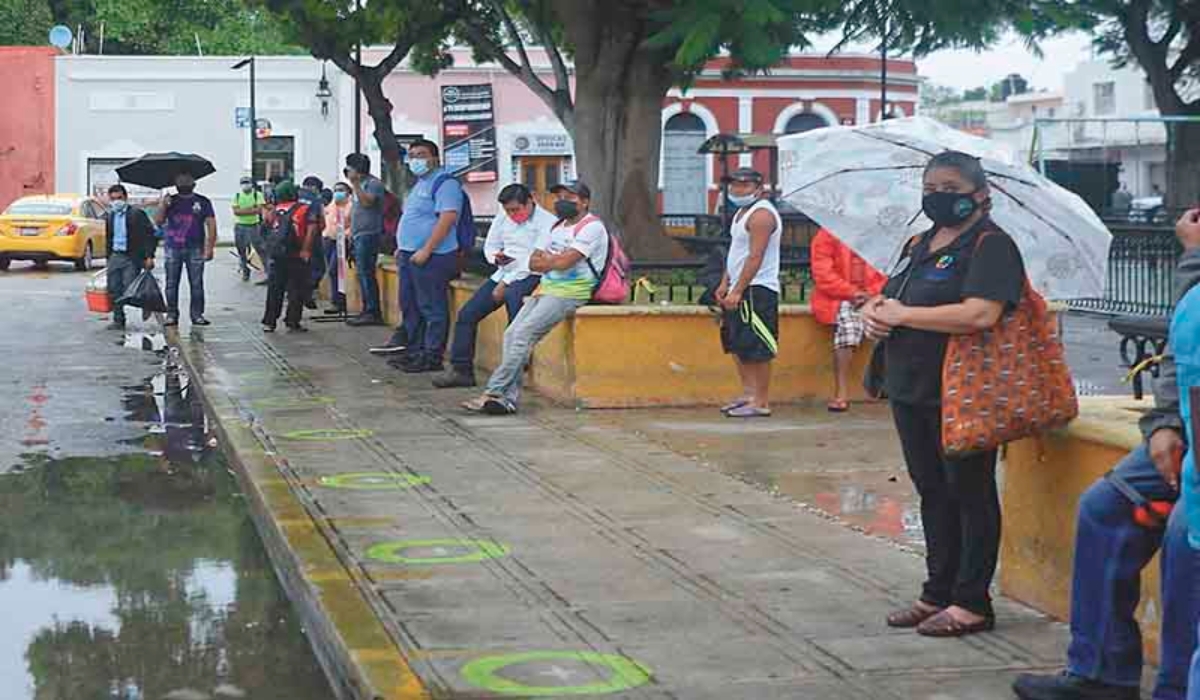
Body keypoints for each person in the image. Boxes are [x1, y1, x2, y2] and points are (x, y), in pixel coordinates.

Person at [1013, 214, 1200, 700]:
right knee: (1106, 506)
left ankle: (1177, 687)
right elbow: (1184, 351)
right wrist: (1163, 425)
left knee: (1186, 533)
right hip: (1186, 426)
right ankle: (1101, 672)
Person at [862, 151, 1026, 638]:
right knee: (932, 491)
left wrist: (902, 317)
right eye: (930, 186)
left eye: (950, 188)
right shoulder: (920, 242)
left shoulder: (992, 245)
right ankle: (937, 592)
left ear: (978, 194)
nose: (937, 195)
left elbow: (980, 313)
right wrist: (875, 310)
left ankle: (972, 601)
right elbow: (893, 296)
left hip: (964, 393)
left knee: (969, 493)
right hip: (910, 386)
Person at [462, 180, 607, 415]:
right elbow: (533, 261)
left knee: (522, 335)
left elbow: (564, 262)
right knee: (511, 334)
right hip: (546, 288)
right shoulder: (558, 227)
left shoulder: (591, 227)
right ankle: (506, 400)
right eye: (559, 197)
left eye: (569, 198)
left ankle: (494, 392)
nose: (562, 203)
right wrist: (550, 262)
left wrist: (550, 261)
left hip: (570, 292)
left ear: (584, 202)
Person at [433, 183, 555, 389]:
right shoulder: (503, 217)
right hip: (504, 271)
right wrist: (495, 258)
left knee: (514, 300)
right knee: (467, 315)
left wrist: (505, 283)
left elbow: (534, 260)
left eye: (516, 210)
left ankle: (516, 364)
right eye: (508, 210)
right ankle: (461, 370)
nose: (512, 214)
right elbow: (491, 245)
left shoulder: (548, 223)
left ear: (530, 202)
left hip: (532, 274)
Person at [387, 139, 463, 374]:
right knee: (410, 304)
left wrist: (426, 249)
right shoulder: (420, 183)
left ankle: (432, 356)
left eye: (421, 154)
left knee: (432, 308)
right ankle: (415, 350)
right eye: (412, 155)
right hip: (409, 254)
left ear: (435, 158)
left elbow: (447, 219)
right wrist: (403, 245)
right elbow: (414, 218)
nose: (415, 160)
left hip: (433, 256)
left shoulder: (445, 183)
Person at [714, 168, 783, 419]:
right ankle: (748, 394)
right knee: (737, 344)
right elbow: (736, 252)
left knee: (757, 347)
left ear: (758, 187)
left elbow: (756, 256)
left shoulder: (762, 215)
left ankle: (761, 400)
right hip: (737, 286)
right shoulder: (741, 214)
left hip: (757, 289)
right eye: (734, 184)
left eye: (744, 185)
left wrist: (739, 289)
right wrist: (725, 283)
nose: (737, 189)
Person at [810, 227, 887, 412]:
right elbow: (823, 275)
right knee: (849, 330)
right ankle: (841, 393)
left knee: (897, 327)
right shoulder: (826, 235)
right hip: (840, 297)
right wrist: (853, 293)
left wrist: (871, 294)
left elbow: (889, 272)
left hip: (875, 296)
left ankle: (888, 387)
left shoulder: (880, 237)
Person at [155, 171, 216, 327]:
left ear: (194, 182)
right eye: (180, 179)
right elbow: (159, 221)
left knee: (196, 283)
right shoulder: (170, 201)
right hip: (173, 248)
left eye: (187, 179)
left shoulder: (203, 201)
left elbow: (211, 224)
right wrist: (163, 205)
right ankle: (171, 314)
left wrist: (209, 247)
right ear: (175, 183)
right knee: (171, 283)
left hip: (195, 247)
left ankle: (197, 315)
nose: (184, 182)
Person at [261, 180, 321, 333]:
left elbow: (266, 229)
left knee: (275, 289)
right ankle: (292, 321)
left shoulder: (274, 210)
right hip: (296, 253)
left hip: (277, 254)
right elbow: (312, 229)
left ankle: (270, 322)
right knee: (296, 289)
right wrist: (306, 250)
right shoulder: (304, 209)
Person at [104, 184, 158, 330]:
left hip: (131, 256)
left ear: (125, 198)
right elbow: (109, 237)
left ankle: (147, 304)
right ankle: (118, 319)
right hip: (115, 255)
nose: (116, 201)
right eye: (113, 198)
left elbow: (149, 236)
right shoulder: (110, 216)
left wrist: (149, 256)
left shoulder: (136, 214)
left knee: (131, 287)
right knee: (114, 288)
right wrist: (108, 257)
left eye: (119, 198)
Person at [344, 153, 386, 326]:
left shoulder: (373, 184)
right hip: (358, 234)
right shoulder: (360, 185)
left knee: (366, 273)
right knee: (361, 273)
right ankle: (366, 308)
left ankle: (373, 311)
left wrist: (354, 184)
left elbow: (368, 203)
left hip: (369, 234)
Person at [322, 182, 353, 314]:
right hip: (329, 239)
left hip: (342, 240)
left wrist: (346, 235)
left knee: (335, 270)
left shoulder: (352, 206)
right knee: (331, 271)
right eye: (336, 190)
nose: (338, 193)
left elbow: (353, 224)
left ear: (348, 192)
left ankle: (339, 301)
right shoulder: (332, 204)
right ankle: (336, 300)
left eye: (341, 190)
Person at [232, 176, 267, 282]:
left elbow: (259, 210)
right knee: (241, 250)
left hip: (254, 226)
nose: (245, 185)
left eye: (247, 182)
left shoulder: (257, 195)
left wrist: (244, 210)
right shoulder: (237, 196)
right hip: (239, 226)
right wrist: (251, 209)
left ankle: (268, 272)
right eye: (243, 183)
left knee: (261, 249)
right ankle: (245, 270)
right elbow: (236, 211)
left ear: (251, 184)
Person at [300, 175, 327, 310]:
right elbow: (321, 224)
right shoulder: (316, 201)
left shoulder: (293, 196)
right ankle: (307, 292)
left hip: (292, 240)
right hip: (312, 239)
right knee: (318, 268)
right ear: (314, 188)